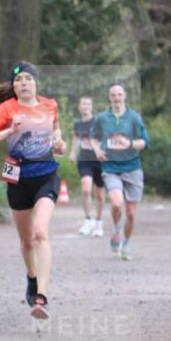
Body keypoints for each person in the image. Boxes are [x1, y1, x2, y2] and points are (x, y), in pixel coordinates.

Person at [0, 62, 66, 320]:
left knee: (40, 233)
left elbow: (56, 129)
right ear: (13, 86)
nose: (23, 83)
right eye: (18, 80)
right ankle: (32, 276)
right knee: (27, 241)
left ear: (36, 82)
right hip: (17, 178)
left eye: (28, 78)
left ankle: (42, 296)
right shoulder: (7, 108)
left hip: (46, 175)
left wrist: (59, 142)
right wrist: (9, 130)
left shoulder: (50, 105)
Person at [91, 81, 150, 261]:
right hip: (110, 168)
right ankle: (116, 230)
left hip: (132, 168)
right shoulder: (102, 118)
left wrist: (129, 143)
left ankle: (126, 244)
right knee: (116, 203)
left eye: (119, 94)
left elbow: (145, 142)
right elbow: (93, 137)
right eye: (113, 95)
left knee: (131, 213)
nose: (116, 98)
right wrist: (97, 150)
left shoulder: (134, 118)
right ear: (109, 97)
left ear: (125, 96)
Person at [69, 95, 105, 237]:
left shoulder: (97, 122)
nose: (85, 106)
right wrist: (73, 152)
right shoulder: (78, 124)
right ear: (79, 107)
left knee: (99, 193)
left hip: (99, 161)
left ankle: (99, 222)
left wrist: (101, 150)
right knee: (85, 189)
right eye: (83, 104)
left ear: (91, 107)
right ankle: (88, 220)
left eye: (88, 104)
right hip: (84, 160)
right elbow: (76, 137)